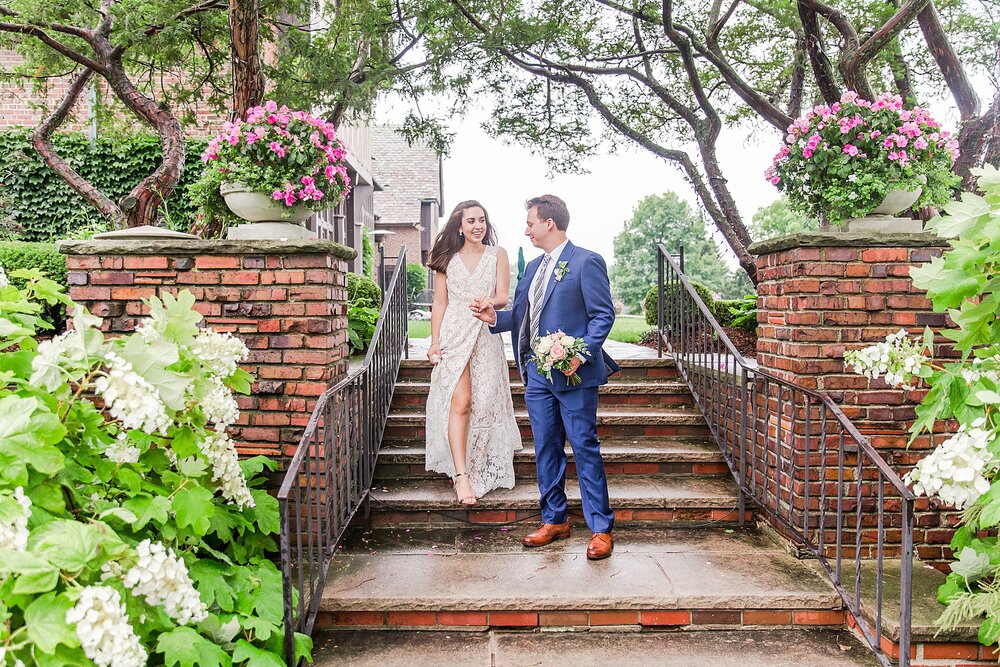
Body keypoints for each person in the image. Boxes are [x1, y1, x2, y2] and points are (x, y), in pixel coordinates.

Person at [471, 194, 620, 560]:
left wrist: (580, 354)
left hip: (574, 376)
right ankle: (554, 519)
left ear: (549, 223)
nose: (527, 230)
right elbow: (522, 316)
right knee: (545, 448)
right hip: (537, 376)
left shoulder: (586, 262)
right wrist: (495, 318)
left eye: (531, 223)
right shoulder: (533, 268)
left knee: (584, 446)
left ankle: (600, 528)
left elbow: (603, 316)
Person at [425, 200, 522, 504]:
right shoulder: (446, 259)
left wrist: (491, 302)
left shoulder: (498, 255)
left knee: (483, 403)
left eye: (482, 220)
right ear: (460, 226)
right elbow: (439, 303)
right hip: (454, 335)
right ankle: (460, 476)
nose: (478, 225)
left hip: (483, 332)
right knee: (461, 402)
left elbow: (505, 295)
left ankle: (478, 464)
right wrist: (434, 341)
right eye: (471, 221)